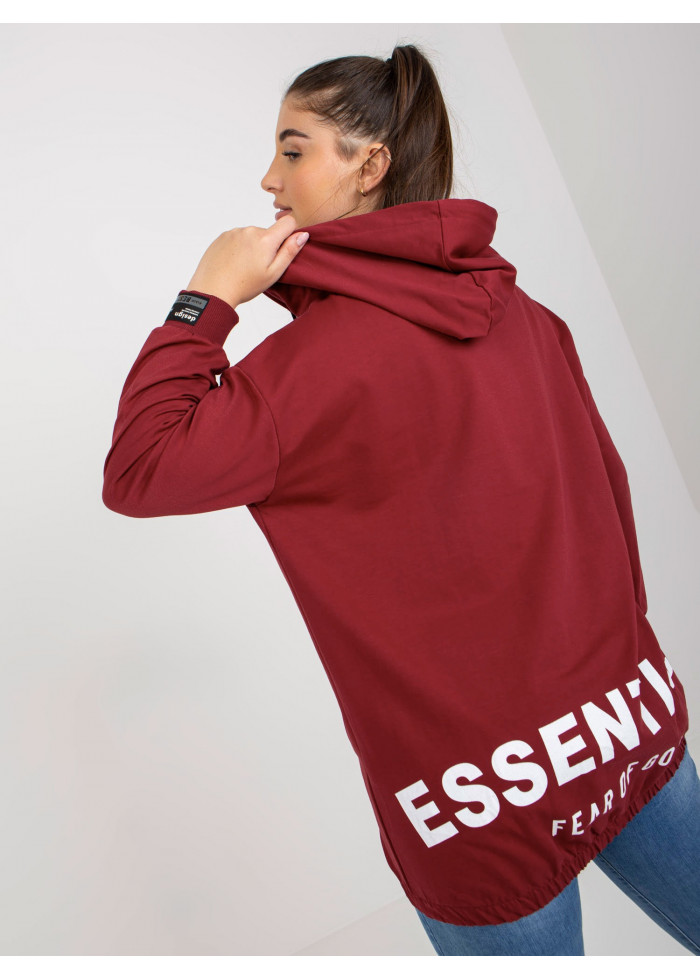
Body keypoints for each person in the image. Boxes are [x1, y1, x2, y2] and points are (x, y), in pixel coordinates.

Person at [102, 44, 699, 956]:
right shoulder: (525, 314)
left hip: (477, 795)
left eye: (293, 150)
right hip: (620, 720)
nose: (269, 178)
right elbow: (612, 496)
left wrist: (205, 297)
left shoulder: (299, 377)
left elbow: (140, 466)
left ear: (370, 164)